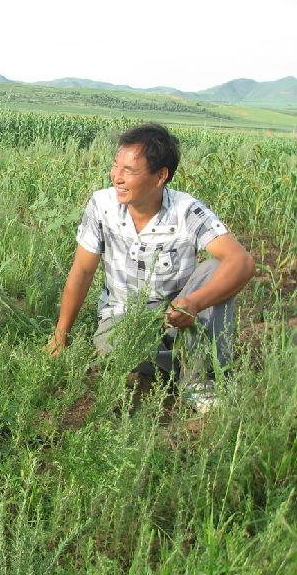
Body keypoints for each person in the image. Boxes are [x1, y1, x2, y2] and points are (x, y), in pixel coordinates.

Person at [47, 123, 255, 408]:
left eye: (129, 171)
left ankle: (202, 379)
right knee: (113, 348)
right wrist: (61, 335)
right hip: (123, 317)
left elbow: (242, 262)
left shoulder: (186, 211)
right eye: (115, 166)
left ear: (160, 176)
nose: (117, 177)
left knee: (218, 267)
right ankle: (184, 362)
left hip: (180, 317)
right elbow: (82, 272)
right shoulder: (102, 205)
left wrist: (193, 303)